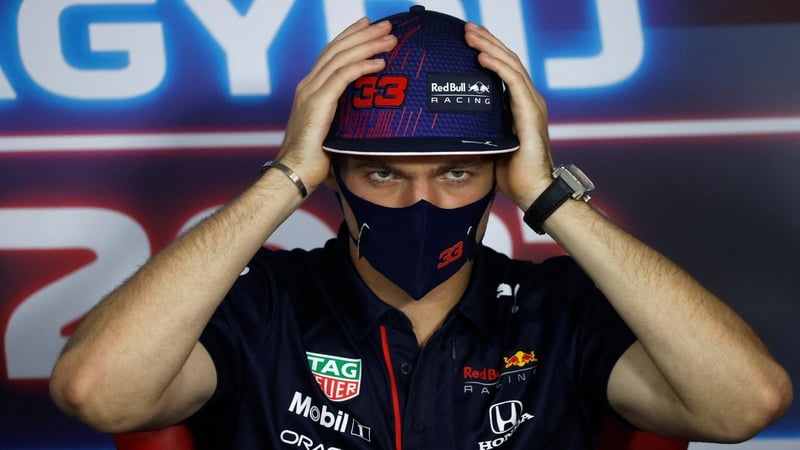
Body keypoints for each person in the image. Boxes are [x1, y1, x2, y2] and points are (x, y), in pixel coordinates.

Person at [49, 6, 792, 449]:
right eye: (383, 174)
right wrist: (285, 175)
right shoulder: (265, 301)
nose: (421, 201)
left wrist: (548, 194)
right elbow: (98, 394)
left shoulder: (561, 307)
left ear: (498, 172)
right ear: (334, 172)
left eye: (456, 173)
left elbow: (743, 406)